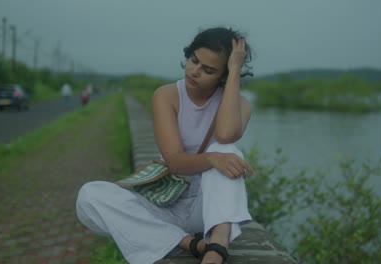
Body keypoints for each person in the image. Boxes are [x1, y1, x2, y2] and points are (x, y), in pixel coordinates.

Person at [76, 26, 255, 264]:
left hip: (209, 209)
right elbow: (174, 160)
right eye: (194, 60)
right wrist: (211, 160)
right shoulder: (167, 95)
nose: (195, 71)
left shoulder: (240, 105)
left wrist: (234, 72)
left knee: (227, 150)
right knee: (89, 196)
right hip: (167, 204)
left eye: (209, 70)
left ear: (223, 75)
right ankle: (188, 242)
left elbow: (225, 134)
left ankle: (217, 245)